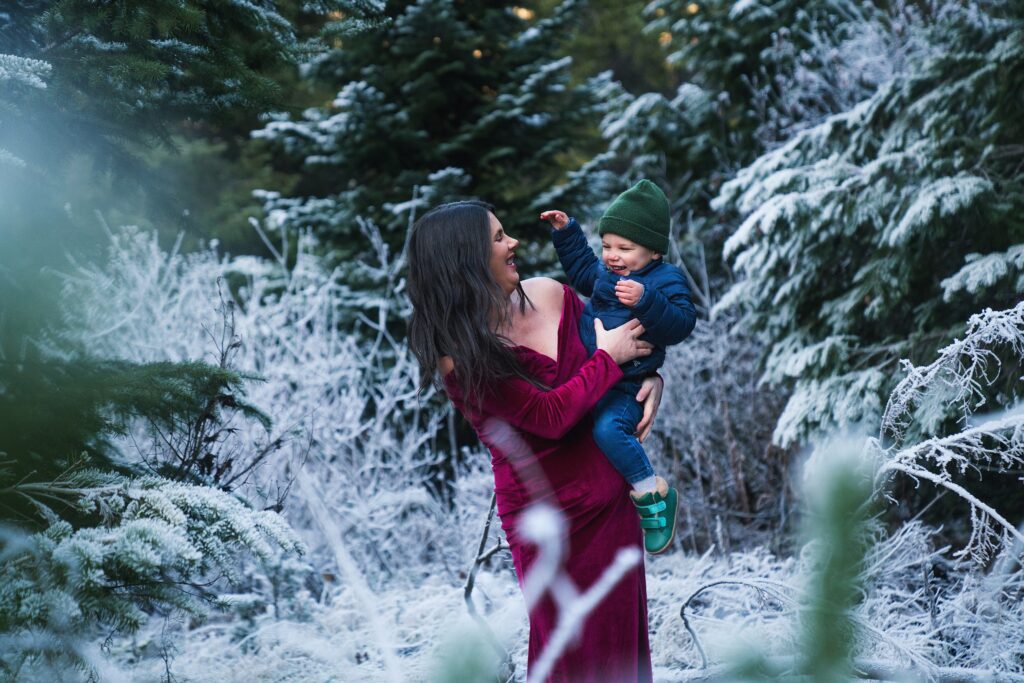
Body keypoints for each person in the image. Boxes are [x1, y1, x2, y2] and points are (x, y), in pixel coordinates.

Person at [407, 199, 660, 682]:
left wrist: (651, 378)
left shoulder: (549, 293)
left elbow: (622, 345)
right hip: (550, 523)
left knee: (623, 652)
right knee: (568, 653)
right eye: (499, 238)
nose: (513, 243)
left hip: (610, 504)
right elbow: (550, 417)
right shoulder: (459, 358)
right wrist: (608, 360)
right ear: (466, 259)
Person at [540, 179, 696, 554]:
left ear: (654, 252)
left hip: (626, 386)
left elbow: (681, 324)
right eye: (607, 245)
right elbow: (581, 270)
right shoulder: (607, 277)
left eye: (625, 248)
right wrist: (567, 233)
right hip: (592, 376)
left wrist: (646, 300)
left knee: (610, 431)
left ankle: (652, 494)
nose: (613, 256)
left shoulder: (664, 279)